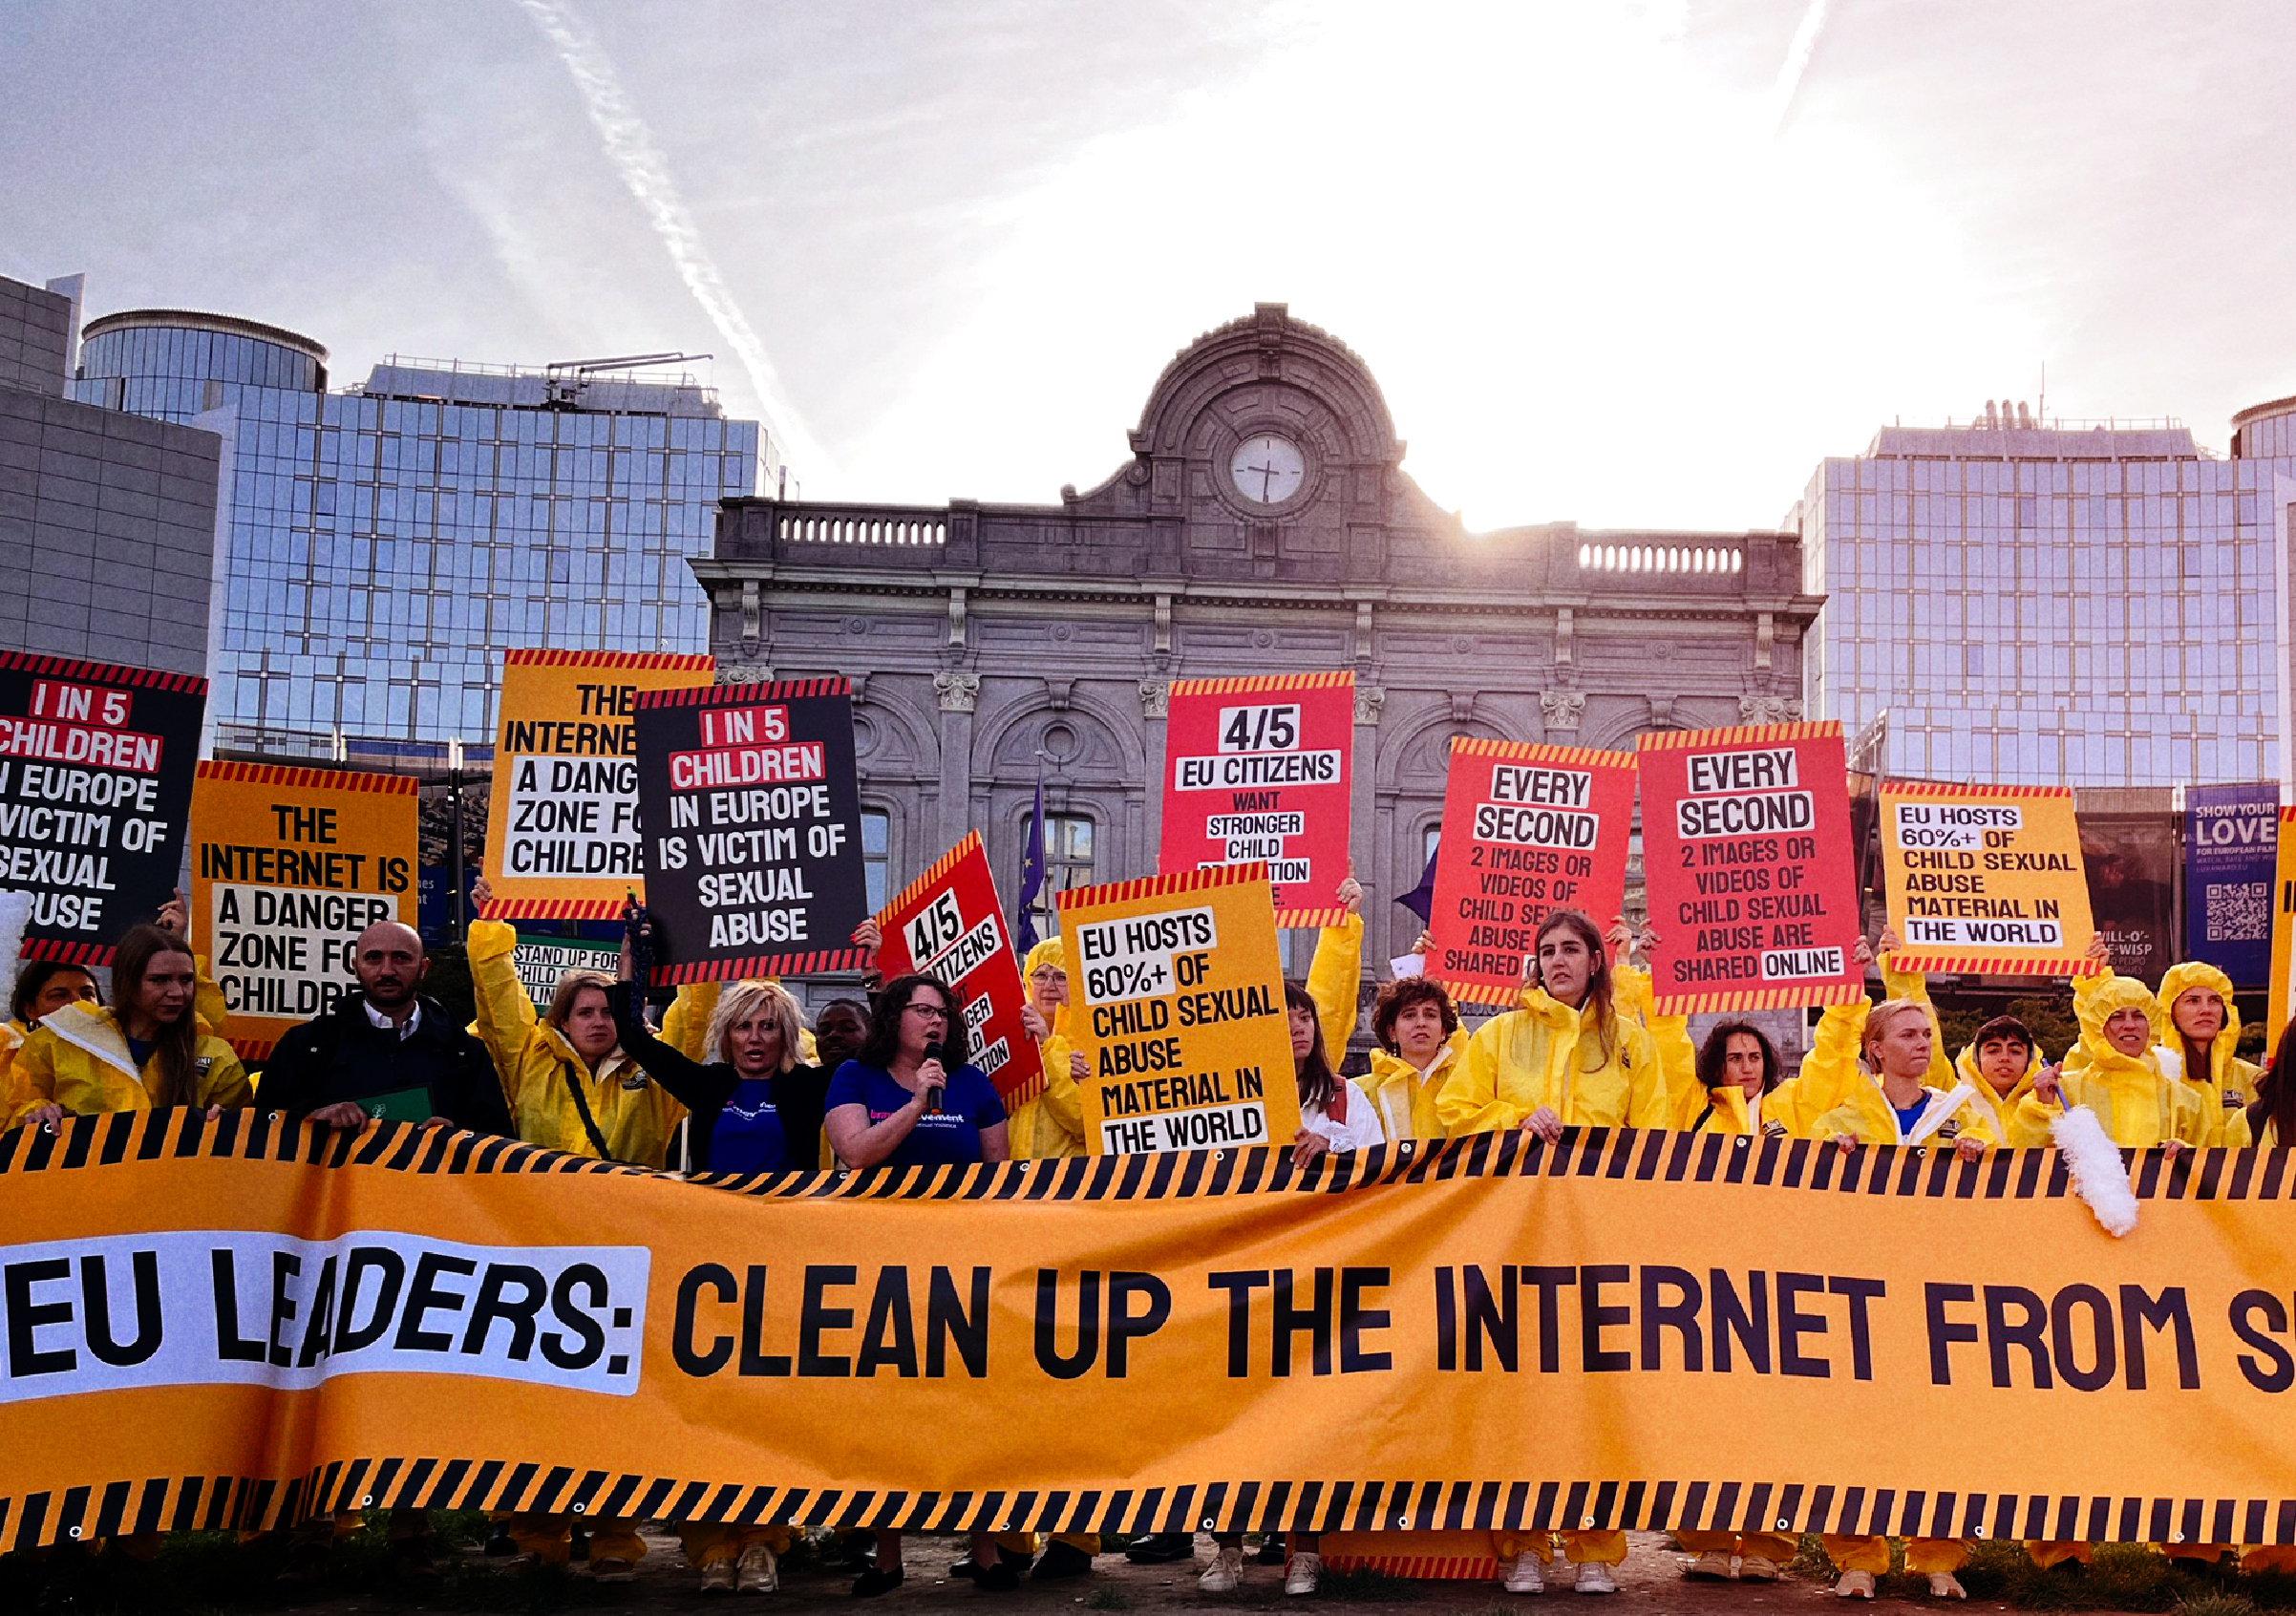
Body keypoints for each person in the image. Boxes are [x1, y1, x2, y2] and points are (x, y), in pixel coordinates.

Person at [1436, 907, 1666, 1595]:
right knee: (1522, 1395)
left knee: (1597, 1397)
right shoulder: (1499, 1034)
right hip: (1516, 1241)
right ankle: (1526, 1545)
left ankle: (1597, 1545)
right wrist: (1514, 1119)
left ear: (1597, 960)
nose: (1557, 960)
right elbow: (1455, 1110)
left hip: (1599, 1242)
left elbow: (1652, 1135)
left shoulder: (1630, 1041)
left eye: (1571, 949)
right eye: (1546, 950)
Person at [823, 973, 1010, 1595]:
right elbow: (856, 1153)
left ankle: (985, 1552)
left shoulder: (973, 1086)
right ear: (893, 1018)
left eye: (942, 1013)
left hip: (960, 1271)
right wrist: (914, 1105)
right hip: (880, 1270)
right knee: (887, 1415)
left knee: (969, 1410)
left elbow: (997, 1177)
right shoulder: (855, 1078)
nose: (935, 1022)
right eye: (921, 1010)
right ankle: (887, 1557)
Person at [1811, 997, 1982, 1600]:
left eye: (1927, 1035)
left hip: (1940, 1299)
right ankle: (1856, 1557)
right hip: (1859, 1300)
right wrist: (1827, 1170)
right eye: (1907, 1035)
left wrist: (1982, 1166)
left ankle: (1938, 1556)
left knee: (1940, 1428)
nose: (1922, 1044)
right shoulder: (1837, 1124)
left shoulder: (1965, 1121)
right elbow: (1802, 1209)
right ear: (1876, 1049)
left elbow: (2006, 1203)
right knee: (1854, 1429)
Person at [263, 920, 512, 1138]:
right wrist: (313, 1120)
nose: (387, 970)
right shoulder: (308, 1045)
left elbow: (499, 1145)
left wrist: (458, 1136)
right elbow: (262, 1131)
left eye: (401, 958)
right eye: (373, 958)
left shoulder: (464, 1052)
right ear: (355, 967)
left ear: (423, 968)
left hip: (431, 1190)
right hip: (335, 1191)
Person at [12, 923, 251, 1128]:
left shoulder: (215, 1055)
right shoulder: (58, 1042)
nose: (177, 992)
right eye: (159, 980)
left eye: (187, 979)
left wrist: (225, 1128)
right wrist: (37, 1111)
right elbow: (13, 1113)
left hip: (176, 1180)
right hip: (80, 1180)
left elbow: (245, 1141)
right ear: (126, 982)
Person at [2012, 944, 2212, 1152]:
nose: (2130, 1024)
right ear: (2098, 1028)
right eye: (2117, 1016)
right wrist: (2044, 1106)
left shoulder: (2186, 1101)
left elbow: (2215, 1165)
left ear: (2151, 1024)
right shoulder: (2063, 1091)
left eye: (2138, 1015)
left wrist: (2188, 1154)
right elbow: (2024, 1156)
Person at [2152, 959, 2259, 1140]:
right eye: (2192, 1000)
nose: (2206, 1009)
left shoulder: (2253, 1079)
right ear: (2170, 1010)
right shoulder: (2155, 1074)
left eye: (2214, 1000)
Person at [1360, 970, 1466, 1141]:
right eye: (1409, 1015)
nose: (1421, 1023)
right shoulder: (1362, 1092)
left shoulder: (1466, 1087)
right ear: (1392, 1032)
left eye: (1430, 1015)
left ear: (1443, 1031)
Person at [1010, 937, 1088, 1159]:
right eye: (1040, 975)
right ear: (1028, 981)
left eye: (1061, 976)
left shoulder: (1091, 1041)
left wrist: (1047, 1045)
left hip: (1069, 1182)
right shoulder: (1011, 1037)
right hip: (1013, 1180)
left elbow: (1082, 1119)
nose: (1049, 986)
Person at [1678, 1021, 1788, 1139]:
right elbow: (1668, 1034)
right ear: (1716, 1067)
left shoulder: (1787, 1106)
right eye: (1735, 1058)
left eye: (1754, 1057)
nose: (1747, 1068)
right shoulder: (1695, 1107)